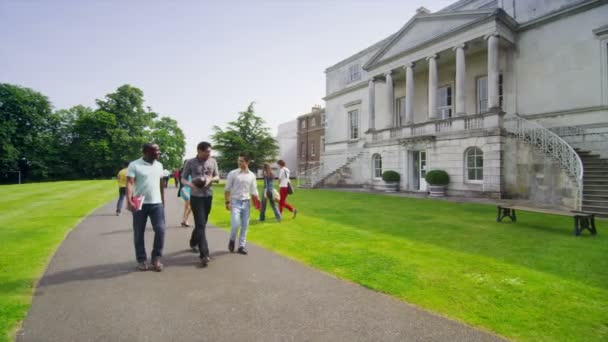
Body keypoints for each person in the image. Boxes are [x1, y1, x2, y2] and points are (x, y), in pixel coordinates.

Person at [126, 143, 166, 272]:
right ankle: (141, 259)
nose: (159, 153)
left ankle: (156, 258)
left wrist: (163, 201)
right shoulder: (134, 165)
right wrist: (129, 200)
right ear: (147, 152)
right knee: (139, 232)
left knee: (160, 230)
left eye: (159, 150)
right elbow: (130, 183)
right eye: (156, 151)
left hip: (156, 203)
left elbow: (161, 183)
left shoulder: (159, 165)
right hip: (139, 202)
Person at [181, 142, 220, 268]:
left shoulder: (213, 161)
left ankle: (193, 241)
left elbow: (217, 177)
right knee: (201, 224)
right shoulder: (190, 162)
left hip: (208, 196)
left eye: (210, 151)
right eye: (206, 152)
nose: (209, 154)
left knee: (201, 223)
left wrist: (210, 179)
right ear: (199, 151)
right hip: (196, 197)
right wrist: (191, 184)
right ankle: (204, 254)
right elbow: (183, 178)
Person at [225, 153, 260, 255]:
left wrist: (257, 202)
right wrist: (227, 202)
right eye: (238, 160)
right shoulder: (232, 173)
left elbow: (254, 190)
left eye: (241, 161)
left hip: (246, 203)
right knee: (236, 224)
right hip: (235, 202)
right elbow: (227, 189)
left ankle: (241, 246)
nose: (239, 162)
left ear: (247, 162)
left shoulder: (252, 175)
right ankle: (232, 240)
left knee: (245, 225)